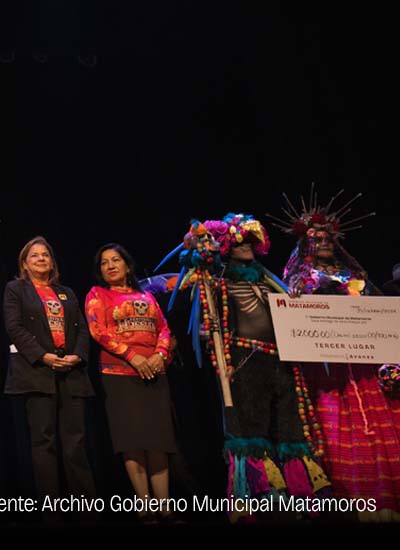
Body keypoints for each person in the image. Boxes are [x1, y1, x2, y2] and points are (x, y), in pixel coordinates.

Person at [159, 214, 328, 520]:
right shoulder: (218, 281)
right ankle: (260, 495)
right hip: (243, 362)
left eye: (251, 241)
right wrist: (199, 254)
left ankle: (301, 494)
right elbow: (188, 297)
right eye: (239, 241)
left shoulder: (268, 281)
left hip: (280, 360)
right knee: (249, 429)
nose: (246, 246)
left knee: (290, 429)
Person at [273, 192, 399, 521]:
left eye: (328, 238)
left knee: (375, 429)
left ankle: (382, 499)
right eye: (316, 238)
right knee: (334, 427)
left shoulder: (355, 278)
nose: (324, 243)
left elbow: (379, 315)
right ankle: (346, 503)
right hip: (326, 371)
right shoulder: (298, 280)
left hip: (362, 367)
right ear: (305, 244)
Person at [3, 236, 96, 517]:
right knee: (44, 444)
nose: (41, 259)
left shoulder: (66, 292)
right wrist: (43, 355)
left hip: (71, 373)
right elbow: (14, 328)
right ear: (25, 264)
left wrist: (77, 356)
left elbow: (81, 329)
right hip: (37, 372)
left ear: (52, 262)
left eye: (45, 255)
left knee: (75, 443)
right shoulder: (16, 289)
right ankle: (52, 513)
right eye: (35, 256)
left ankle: (86, 511)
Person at [84, 243, 177, 523]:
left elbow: (164, 328)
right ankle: (144, 506)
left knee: (159, 440)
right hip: (119, 374)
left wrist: (161, 355)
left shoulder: (147, 295)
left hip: (155, 372)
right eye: (104, 262)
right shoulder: (97, 294)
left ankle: (165, 506)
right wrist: (132, 355)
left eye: (116, 260)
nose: (110, 265)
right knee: (132, 440)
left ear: (127, 265)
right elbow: (97, 330)